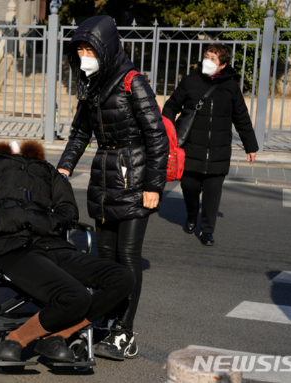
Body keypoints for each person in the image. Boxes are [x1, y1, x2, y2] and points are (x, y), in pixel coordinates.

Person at [0, 141, 135, 363]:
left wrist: (47, 221)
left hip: (53, 244)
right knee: (76, 296)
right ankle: (17, 339)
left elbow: (69, 211)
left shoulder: (47, 170)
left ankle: (58, 336)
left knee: (122, 277)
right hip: (11, 248)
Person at [56, 15, 169, 360]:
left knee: (127, 255)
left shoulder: (132, 82)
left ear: (107, 49)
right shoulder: (91, 86)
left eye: (91, 49)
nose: (85, 55)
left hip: (135, 180)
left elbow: (156, 136)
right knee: (104, 258)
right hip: (104, 180)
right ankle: (106, 319)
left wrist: (154, 185)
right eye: (81, 50)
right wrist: (63, 168)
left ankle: (125, 330)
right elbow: (80, 133)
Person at [162, 43, 258, 246]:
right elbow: (171, 106)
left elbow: (241, 117)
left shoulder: (231, 86)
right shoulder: (190, 81)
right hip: (190, 148)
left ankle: (207, 230)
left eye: (213, 58)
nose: (208, 60)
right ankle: (190, 215)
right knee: (189, 186)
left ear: (222, 65)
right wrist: (167, 130)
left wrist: (250, 145)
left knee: (213, 193)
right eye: (206, 55)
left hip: (218, 151)